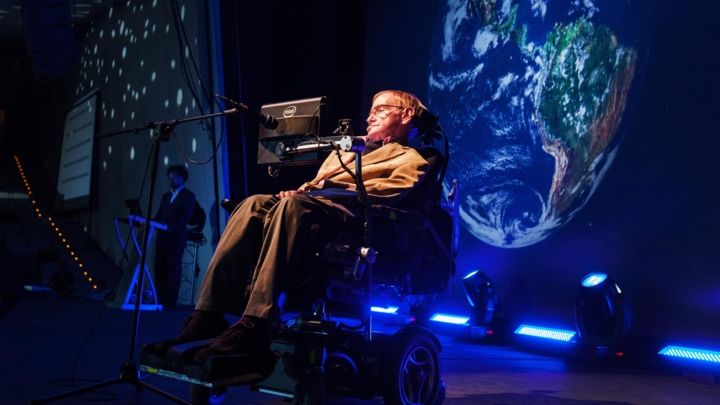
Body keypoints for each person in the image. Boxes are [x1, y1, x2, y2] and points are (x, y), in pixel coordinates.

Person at [155, 90, 433, 363]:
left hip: (351, 216)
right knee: (253, 204)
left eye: (380, 111)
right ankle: (209, 312)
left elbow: (388, 192)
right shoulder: (344, 151)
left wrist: (312, 196)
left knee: (292, 207)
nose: (369, 118)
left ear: (406, 115)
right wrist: (300, 191)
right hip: (312, 206)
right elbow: (314, 184)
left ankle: (256, 322)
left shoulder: (412, 159)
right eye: (370, 112)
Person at [154, 165, 196, 309]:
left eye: (173, 177)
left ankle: (170, 302)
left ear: (182, 177)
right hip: (161, 238)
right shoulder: (166, 196)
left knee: (173, 270)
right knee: (159, 269)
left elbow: (185, 217)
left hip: (175, 238)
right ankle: (160, 300)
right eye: (169, 177)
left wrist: (169, 227)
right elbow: (159, 214)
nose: (170, 180)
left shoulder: (188, 196)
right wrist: (149, 222)